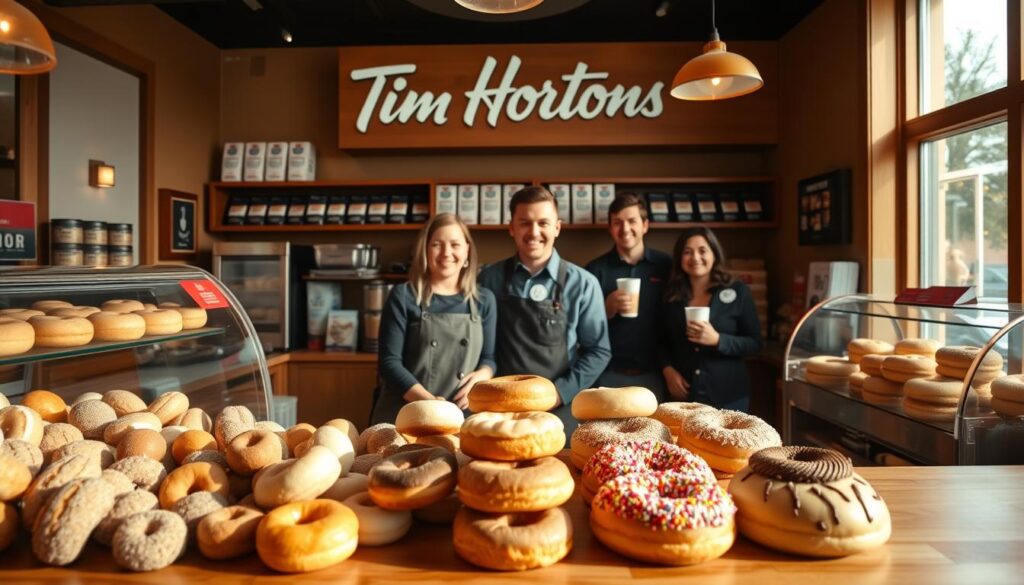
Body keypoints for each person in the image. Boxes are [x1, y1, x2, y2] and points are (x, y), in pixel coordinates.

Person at [478, 186, 611, 435]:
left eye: (543, 223)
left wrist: (559, 393)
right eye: (525, 223)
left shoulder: (583, 283)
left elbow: (598, 351)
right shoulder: (489, 279)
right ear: (511, 228)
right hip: (502, 408)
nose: (534, 232)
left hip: (561, 407)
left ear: (557, 227)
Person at [370, 213, 496, 424]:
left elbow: (489, 358)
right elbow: (389, 364)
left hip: (461, 417)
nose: (447, 253)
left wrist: (484, 374)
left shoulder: (484, 300)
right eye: (437, 244)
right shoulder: (404, 296)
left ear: (467, 250)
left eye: (455, 244)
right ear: (425, 250)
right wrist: (430, 404)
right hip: (405, 415)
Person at [660, 227, 761, 411]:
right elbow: (661, 341)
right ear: (679, 258)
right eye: (688, 252)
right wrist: (667, 370)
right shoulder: (671, 296)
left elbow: (755, 343)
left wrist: (718, 339)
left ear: (714, 253)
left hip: (728, 396)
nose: (695, 258)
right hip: (684, 398)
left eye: (702, 250)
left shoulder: (738, 291)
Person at [585, 193, 671, 400]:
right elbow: (581, 328)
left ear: (645, 225)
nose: (625, 229)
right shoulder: (595, 269)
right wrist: (605, 309)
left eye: (632, 221)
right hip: (607, 374)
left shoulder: (666, 265)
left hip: (656, 373)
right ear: (610, 228)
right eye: (617, 223)